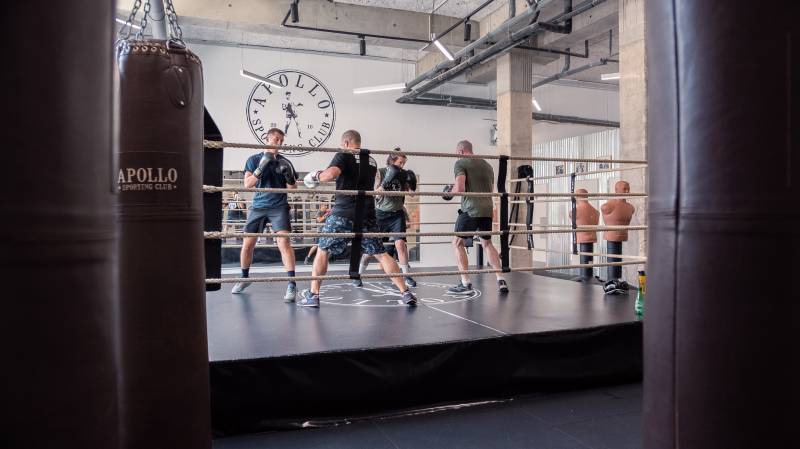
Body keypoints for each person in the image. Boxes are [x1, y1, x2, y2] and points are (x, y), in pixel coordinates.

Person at [299, 130, 418, 308]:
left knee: (323, 250)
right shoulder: (371, 160)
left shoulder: (344, 154)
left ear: (346, 143)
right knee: (381, 254)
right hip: (367, 215)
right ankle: (405, 292)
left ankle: (313, 295)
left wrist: (315, 176)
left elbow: (330, 174)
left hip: (343, 214)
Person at [231, 128, 300, 301]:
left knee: (284, 242)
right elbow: (248, 184)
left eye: (281, 141)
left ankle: (292, 284)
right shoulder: (253, 159)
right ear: (266, 139)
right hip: (258, 206)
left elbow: (293, 189)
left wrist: (290, 177)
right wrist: (261, 167)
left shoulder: (285, 161)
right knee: (248, 244)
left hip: (279, 205)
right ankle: (244, 278)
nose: (278, 143)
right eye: (276, 139)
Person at [446, 140, 508, 294]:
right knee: (487, 244)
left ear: (460, 151)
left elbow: (459, 188)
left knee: (457, 243)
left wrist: (448, 193)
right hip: (487, 209)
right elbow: (489, 187)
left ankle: (465, 283)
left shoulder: (461, 163)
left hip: (471, 209)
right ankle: (501, 279)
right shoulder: (487, 165)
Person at [353, 148, 418, 288]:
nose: (402, 166)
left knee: (400, 244)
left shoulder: (403, 174)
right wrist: (385, 183)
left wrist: (412, 182)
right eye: (400, 162)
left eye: (404, 163)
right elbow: (375, 194)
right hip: (380, 215)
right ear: (392, 160)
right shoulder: (380, 172)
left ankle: (407, 276)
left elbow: (412, 194)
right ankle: (358, 275)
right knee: (371, 250)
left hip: (397, 214)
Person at [601, 180, 636, 281]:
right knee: (614, 259)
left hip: (622, 236)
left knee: (617, 259)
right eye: (624, 189)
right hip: (611, 236)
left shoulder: (631, 207)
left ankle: (615, 280)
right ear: (616, 190)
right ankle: (612, 280)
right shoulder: (608, 206)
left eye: (628, 189)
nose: (627, 191)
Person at [569, 188, 600, 280]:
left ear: (577, 197)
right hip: (591, 237)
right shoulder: (596, 211)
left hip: (582, 238)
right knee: (588, 259)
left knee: (587, 259)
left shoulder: (573, 212)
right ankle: (587, 275)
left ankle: (585, 275)